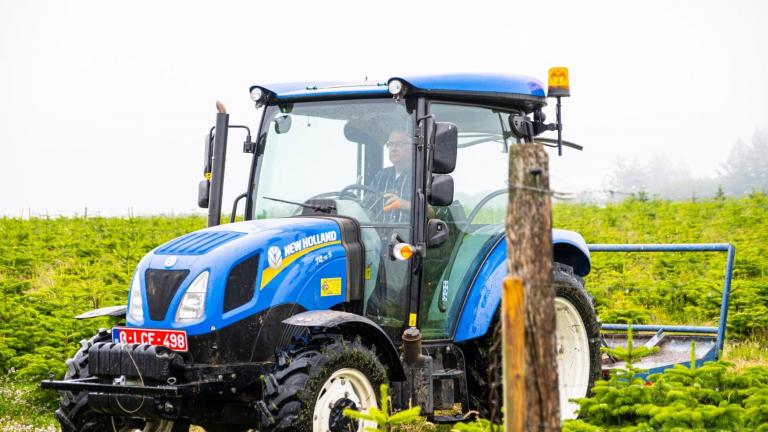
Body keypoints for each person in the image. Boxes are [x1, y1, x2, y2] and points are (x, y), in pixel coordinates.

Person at [366, 130, 412, 223]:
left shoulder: (421, 176)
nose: (394, 149)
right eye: (390, 144)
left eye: (399, 144)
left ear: (411, 148)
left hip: (409, 236)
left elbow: (435, 211)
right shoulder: (381, 175)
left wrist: (406, 204)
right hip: (380, 236)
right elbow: (366, 205)